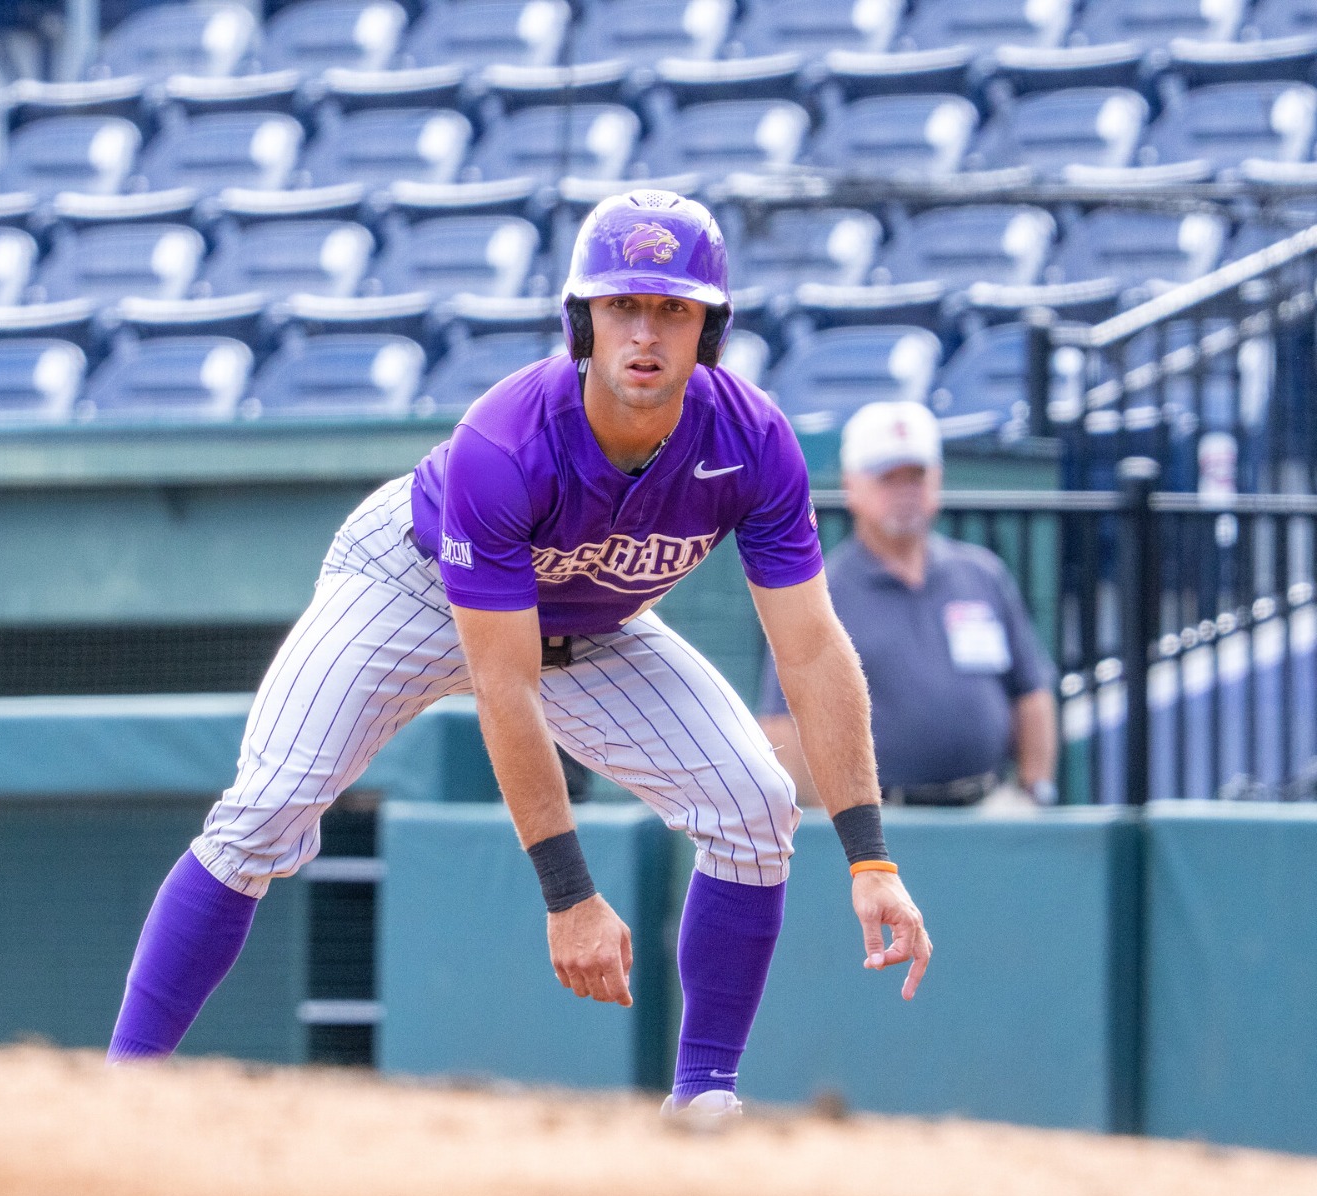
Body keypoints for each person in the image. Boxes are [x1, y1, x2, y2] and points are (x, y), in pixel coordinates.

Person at [106, 191, 932, 1123]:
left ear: (710, 330)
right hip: (410, 584)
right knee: (265, 809)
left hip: (588, 622)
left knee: (755, 804)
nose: (646, 331)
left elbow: (815, 651)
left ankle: (704, 1098)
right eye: (623, 305)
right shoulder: (506, 441)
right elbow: (505, 687)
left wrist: (870, 860)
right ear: (583, 321)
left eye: (673, 308)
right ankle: (125, 1089)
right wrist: (569, 894)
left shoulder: (752, 441)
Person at [757, 403, 1059, 809]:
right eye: (887, 479)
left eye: (915, 477)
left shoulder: (982, 574)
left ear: (936, 481)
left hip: (991, 811)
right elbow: (782, 723)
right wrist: (841, 829)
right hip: (884, 821)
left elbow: (1031, 692)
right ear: (852, 487)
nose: (904, 493)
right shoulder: (819, 591)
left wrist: (1034, 791)